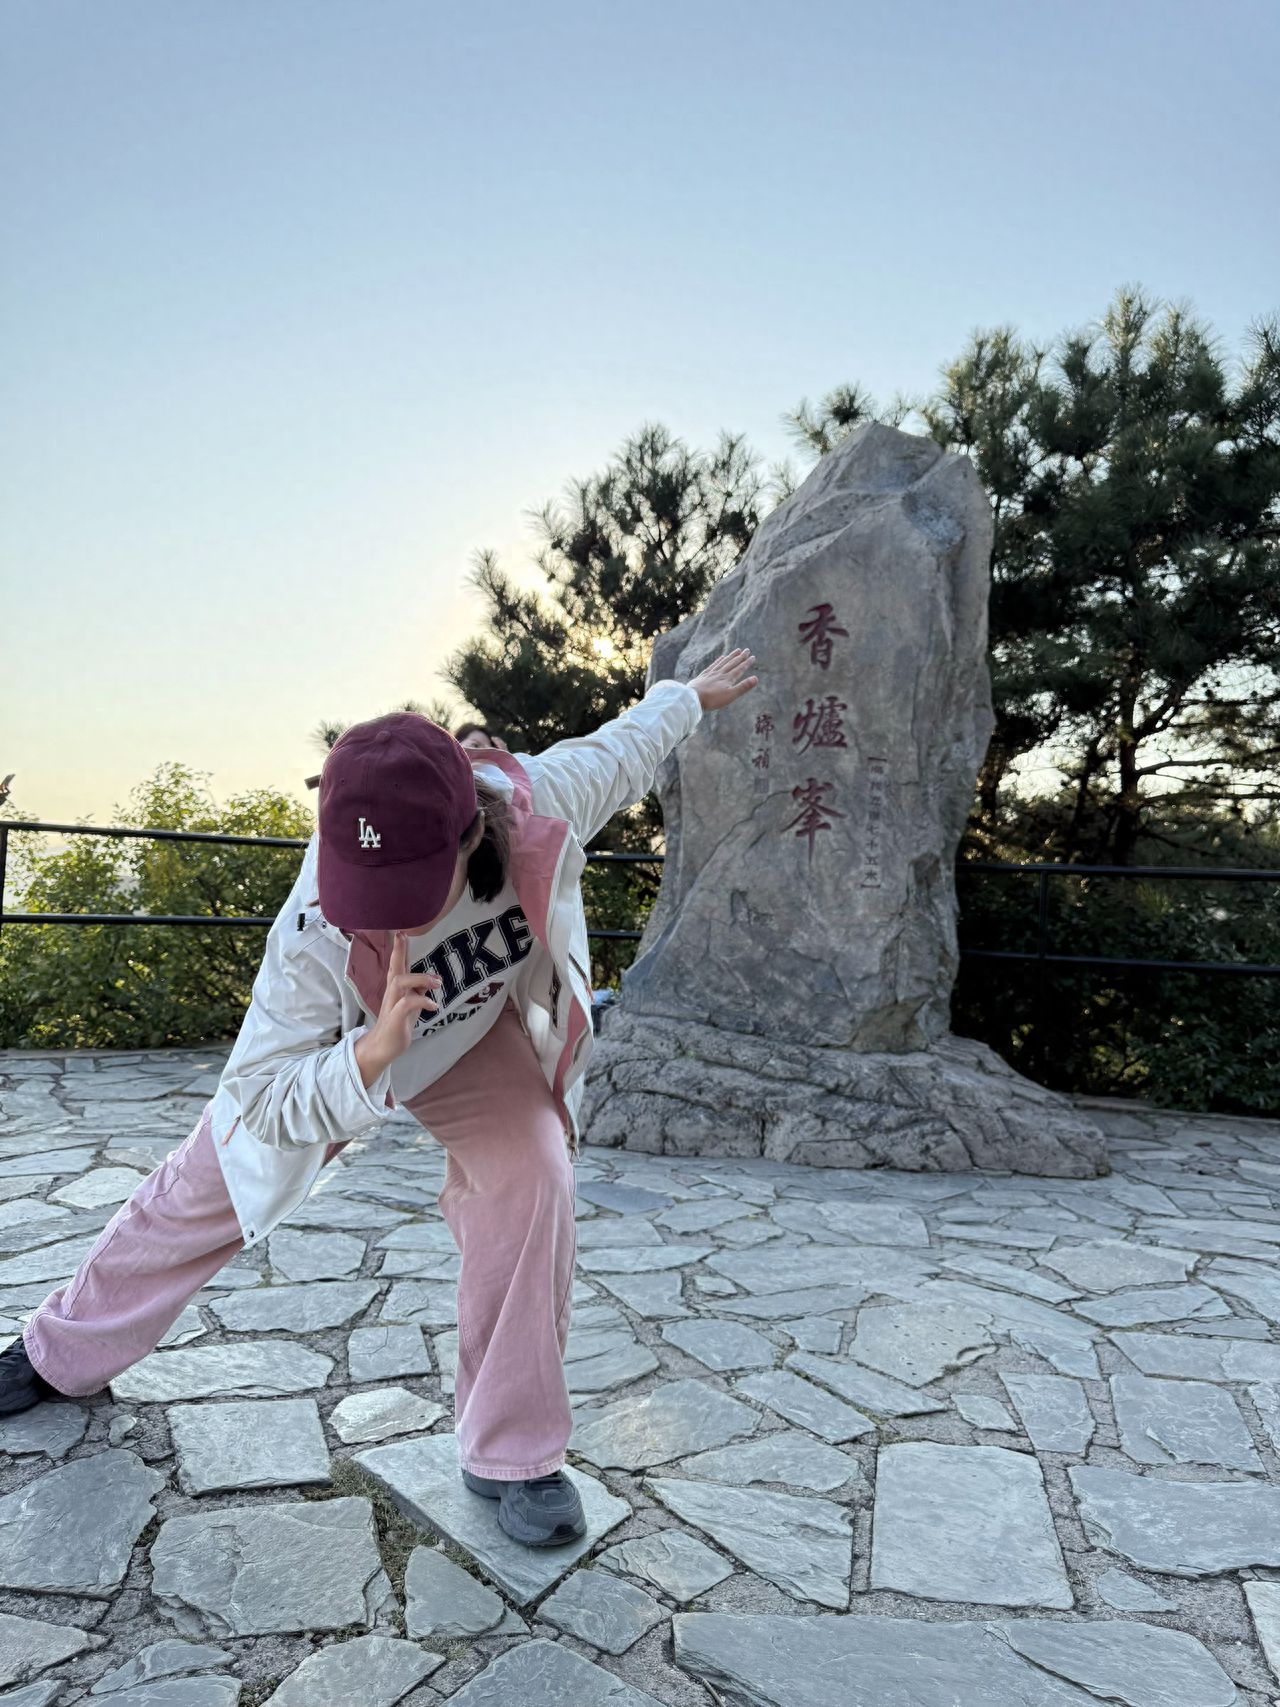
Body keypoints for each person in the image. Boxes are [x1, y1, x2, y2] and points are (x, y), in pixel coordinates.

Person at [0, 650, 759, 1547]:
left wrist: (687, 697)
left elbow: (624, 746)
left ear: (470, 832)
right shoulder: (318, 917)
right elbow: (262, 1093)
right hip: (340, 1052)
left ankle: (513, 1455)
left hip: (473, 1037)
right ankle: (58, 1351)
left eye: (405, 888)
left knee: (535, 1176)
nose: (380, 915)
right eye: (366, 889)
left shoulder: (536, 803)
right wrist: (368, 1054)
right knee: (202, 1186)